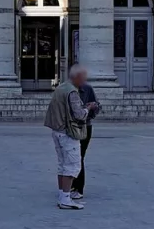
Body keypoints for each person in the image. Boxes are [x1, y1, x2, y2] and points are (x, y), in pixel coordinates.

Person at [44, 64, 97, 210]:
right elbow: (79, 115)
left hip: (58, 130)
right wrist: (88, 108)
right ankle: (66, 199)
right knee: (72, 166)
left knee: (62, 165)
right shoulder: (72, 92)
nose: (85, 80)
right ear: (77, 77)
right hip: (68, 132)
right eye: (83, 77)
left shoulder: (61, 87)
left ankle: (62, 196)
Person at [70, 75, 101, 201]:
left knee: (79, 156)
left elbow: (97, 106)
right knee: (71, 157)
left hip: (84, 126)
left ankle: (78, 188)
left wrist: (92, 108)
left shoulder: (87, 89)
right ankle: (71, 185)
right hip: (70, 126)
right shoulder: (67, 90)